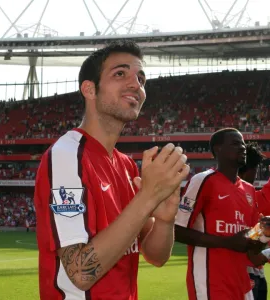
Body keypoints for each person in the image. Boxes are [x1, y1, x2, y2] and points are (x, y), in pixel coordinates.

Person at [34, 40, 190, 300]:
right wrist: (149, 196)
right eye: (120, 73)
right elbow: (81, 272)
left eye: (141, 78)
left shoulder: (127, 165)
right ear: (89, 89)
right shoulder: (67, 156)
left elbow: (156, 256)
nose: (135, 84)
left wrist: (165, 218)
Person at [175, 128, 263, 300]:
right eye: (236, 143)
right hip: (211, 283)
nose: (243, 147)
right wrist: (227, 242)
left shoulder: (249, 190)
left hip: (242, 283)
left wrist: (263, 234)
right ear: (218, 149)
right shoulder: (203, 180)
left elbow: (251, 238)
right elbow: (177, 230)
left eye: (243, 143)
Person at [239, 142, 270, 300]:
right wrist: (264, 229)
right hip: (245, 272)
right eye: (255, 170)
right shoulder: (241, 195)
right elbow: (250, 244)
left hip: (256, 271)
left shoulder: (251, 195)